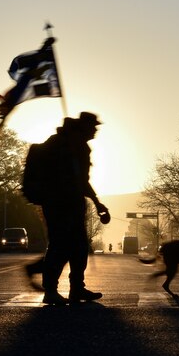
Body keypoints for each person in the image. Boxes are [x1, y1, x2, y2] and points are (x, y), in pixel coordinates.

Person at [26, 111, 110, 305]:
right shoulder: (62, 145)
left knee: (79, 248)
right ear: (84, 127)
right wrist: (95, 202)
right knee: (60, 246)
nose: (96, 131)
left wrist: (97, 202)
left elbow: (82, 181)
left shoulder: (80, 147)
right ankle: (51, 290)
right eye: (93, 127)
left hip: (73, 204)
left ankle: (77, 288)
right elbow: (71, 179)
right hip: (58, 204)